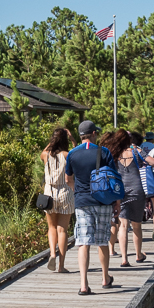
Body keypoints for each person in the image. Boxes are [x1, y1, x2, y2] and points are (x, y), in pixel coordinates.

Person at [65, 120, 117, 295]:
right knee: (102, 240)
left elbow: (68, 179)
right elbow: (112, 176)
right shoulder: (103, 152)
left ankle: (83, 285)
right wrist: (116, 202)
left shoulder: (72, 154)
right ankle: (105, 278)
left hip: (82, 201)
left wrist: (77, 191)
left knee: (83, 242)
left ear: (80, 136)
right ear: (94, 133)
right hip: (102, 200)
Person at [109, 130, 154, 266]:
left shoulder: (115, 153)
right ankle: (138, 254)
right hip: (137, 190)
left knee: (123, 226)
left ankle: (124, 259)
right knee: (137, 225)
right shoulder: (136, 151)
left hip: (121, 191)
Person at [40, 126, 75, 273]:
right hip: (65, 192)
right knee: (63, 230)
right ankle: (61, 266)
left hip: (49, 192)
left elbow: (43, 150)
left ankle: (52, 254)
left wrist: (52, 141)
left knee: (51, 227)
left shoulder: (45, 155)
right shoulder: (67, 155)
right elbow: (77, 152)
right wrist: (72, 139)